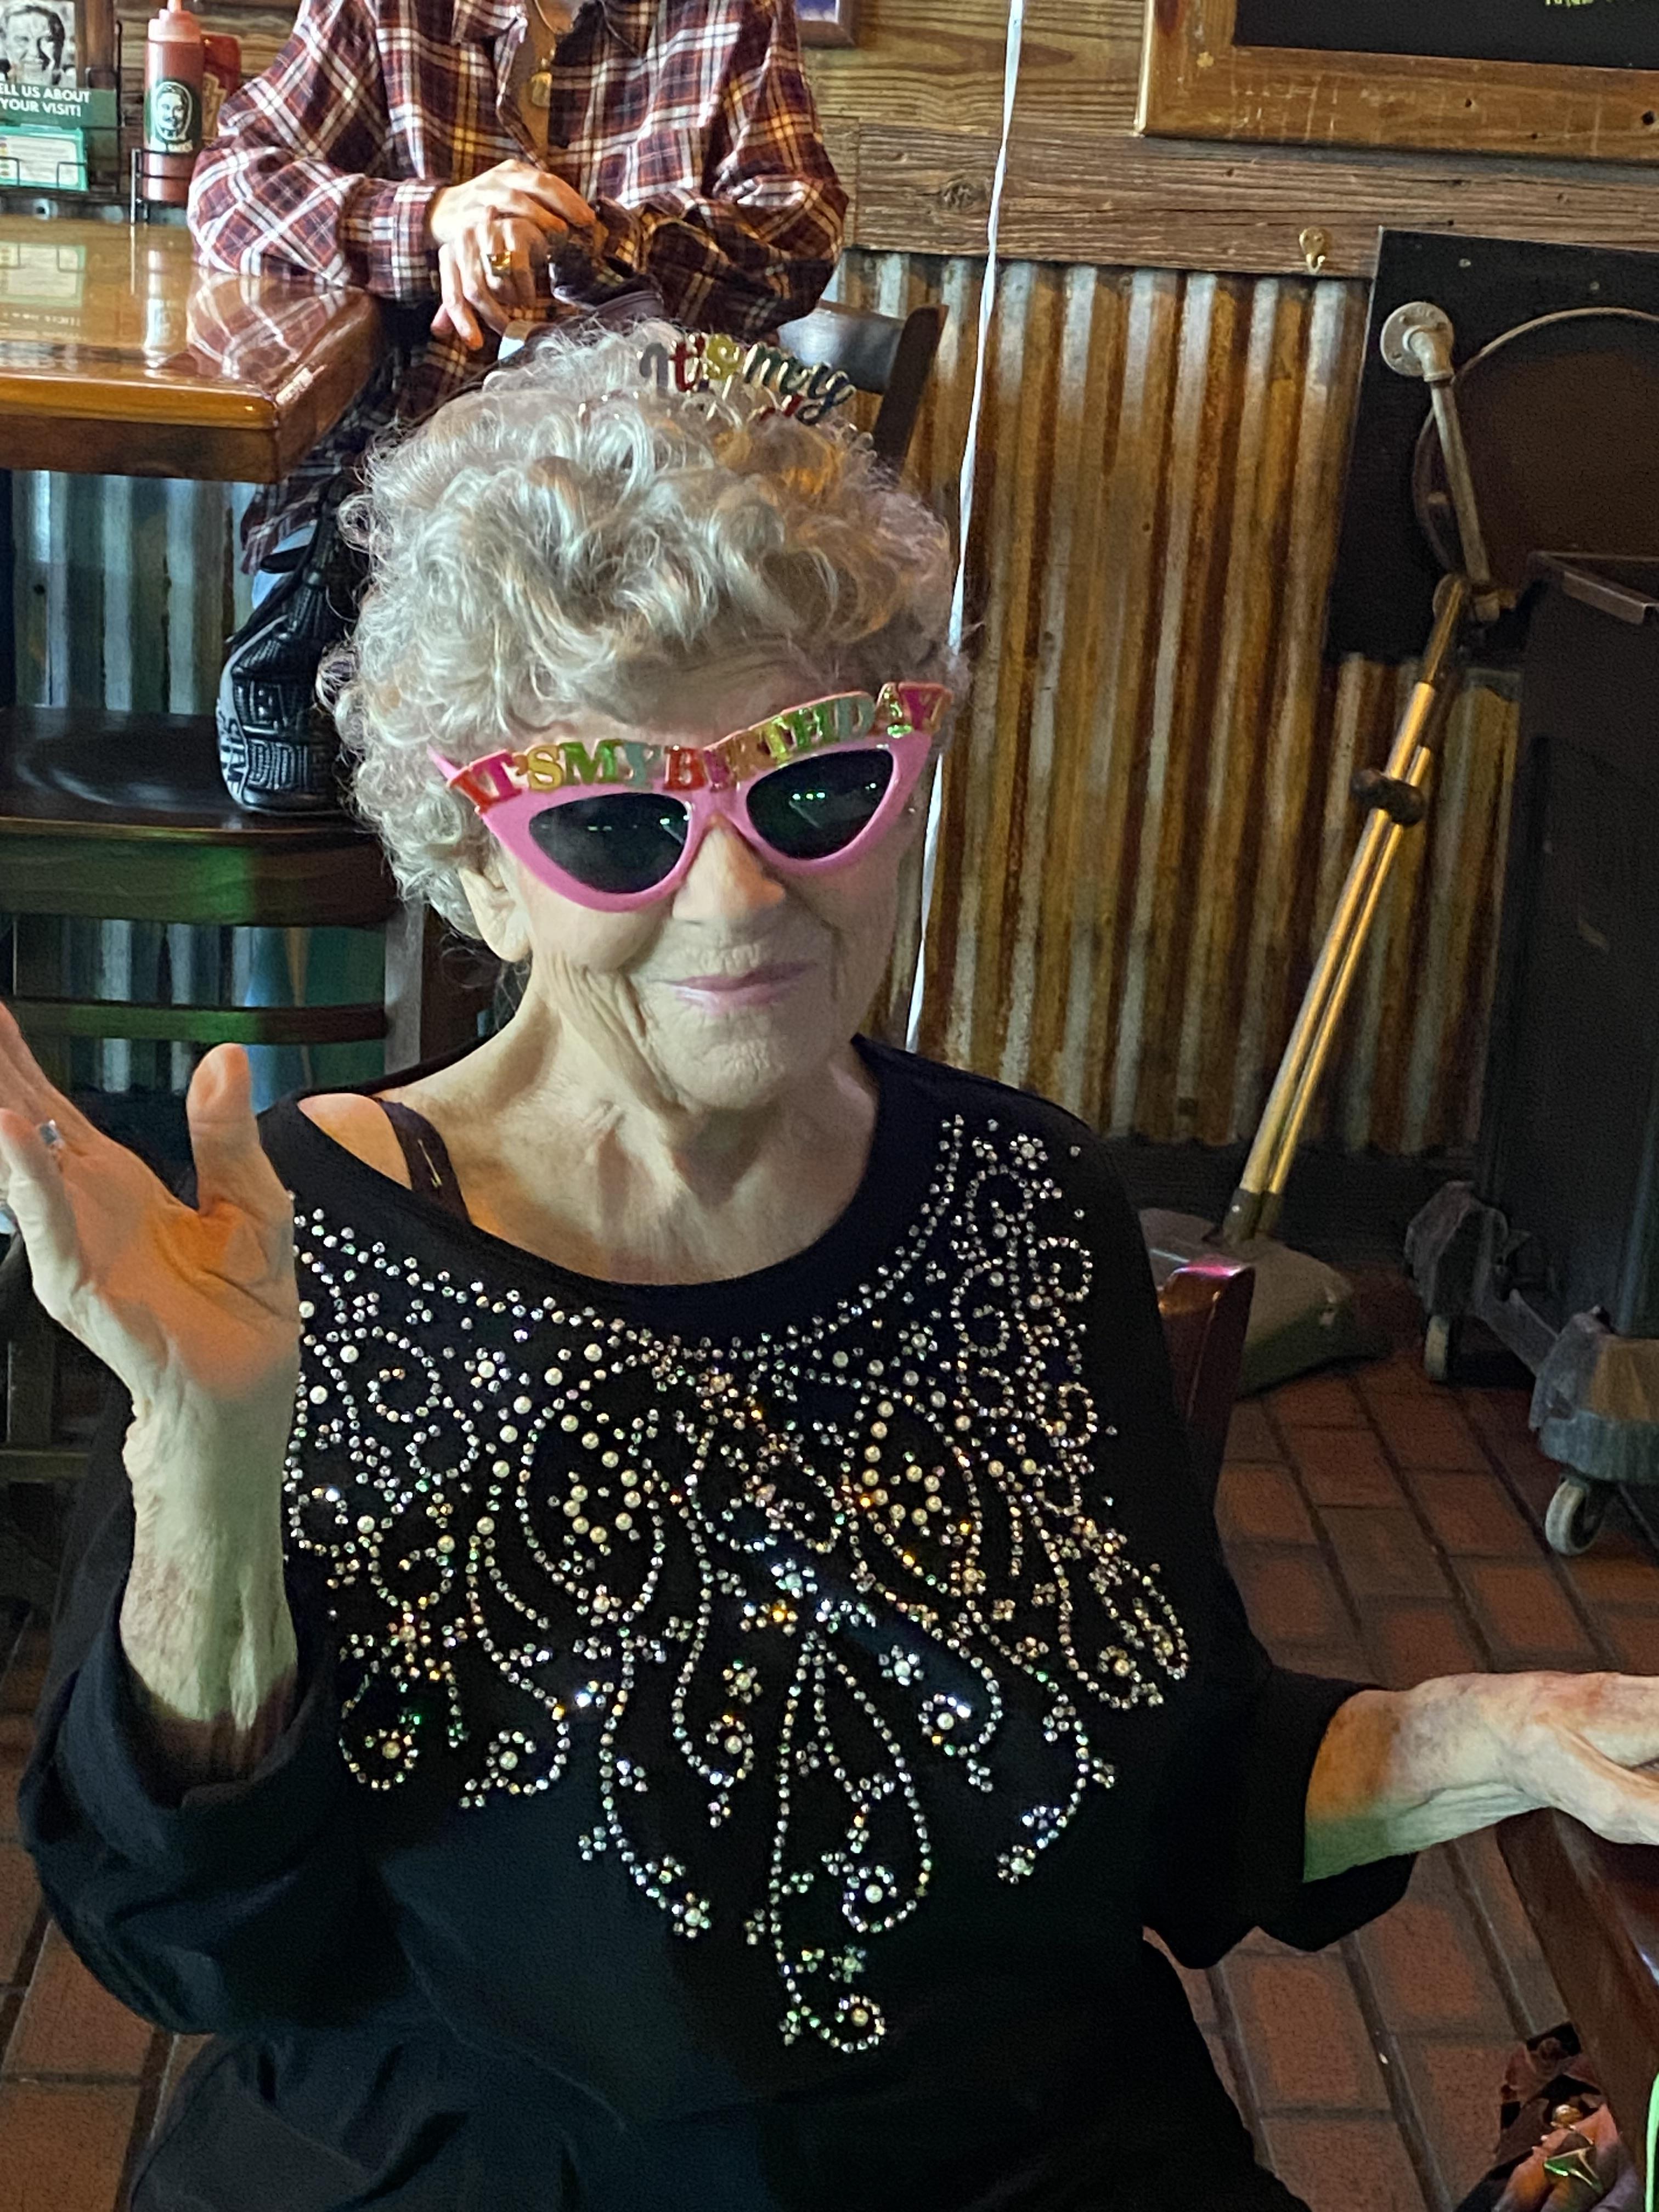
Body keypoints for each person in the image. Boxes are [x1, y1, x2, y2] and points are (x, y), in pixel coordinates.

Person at [8, 321, 1659, 2212]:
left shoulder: (1022, 1206)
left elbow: (1175, 1786)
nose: (738, 897)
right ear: (472, 866)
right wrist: (211, 1470)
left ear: (907, 777)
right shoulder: (272, 1258)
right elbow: (199, 1950)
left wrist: (1491, 1725)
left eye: (809, 787)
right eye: (616, 820)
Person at [0, 1, 71, 86]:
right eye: (22, 40)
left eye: (46, 39)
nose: (34, 52)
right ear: (5, 43)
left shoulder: (78, 88)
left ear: (60, 44)